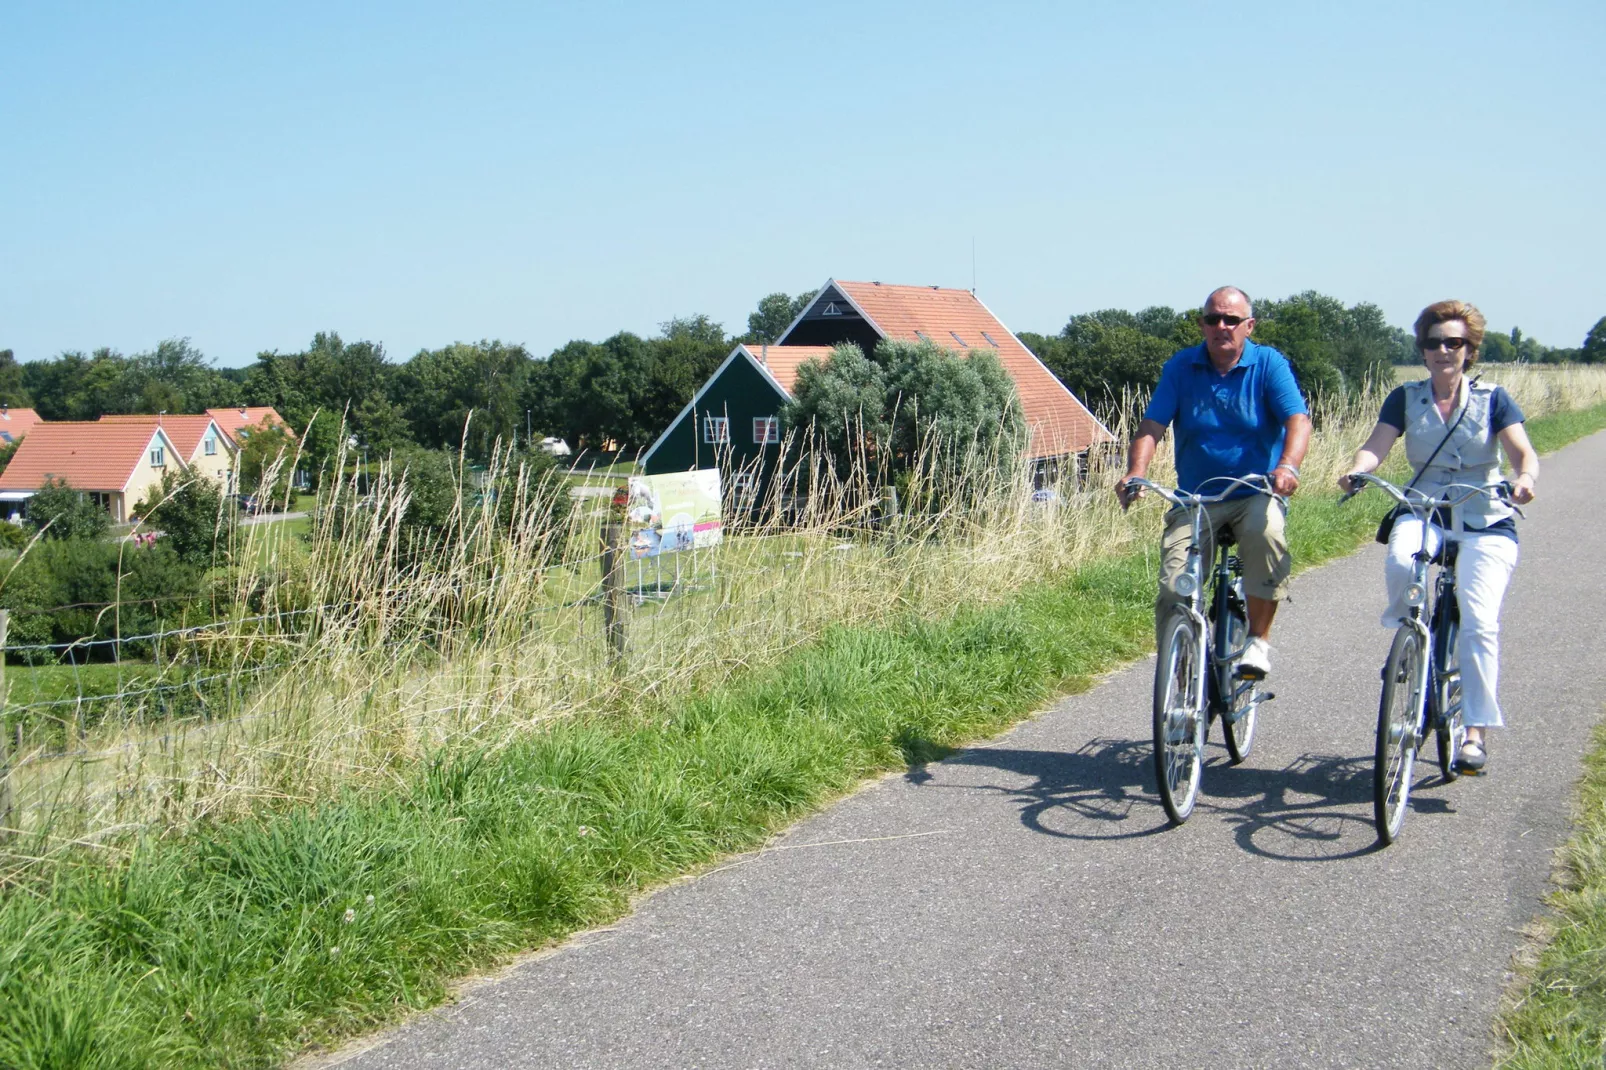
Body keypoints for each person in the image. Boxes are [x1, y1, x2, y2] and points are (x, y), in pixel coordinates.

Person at [1339, 299, 1537, 774]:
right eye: (1434, 343)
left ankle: (1474, 733)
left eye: (1455, 343)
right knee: (1402, 560)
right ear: (1422, 351)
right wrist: (1358, 470)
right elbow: (1377, 446)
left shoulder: (1494, 399)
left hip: (1486, 515)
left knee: (1480, 622)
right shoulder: (1405, 398)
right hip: (1424, 508)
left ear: (1470, 350)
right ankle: (1411, 634)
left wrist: (1525, 480)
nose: (1444, 351)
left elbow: (1523, 455)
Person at [1116, 286, 1312, 679]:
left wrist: (1288, 466)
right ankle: (1180, 678)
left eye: (1231, 320)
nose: (1221, 326)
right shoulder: (1181, 366)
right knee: (1175, 586)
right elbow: (1153, 424)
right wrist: (1136, 471)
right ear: (1203, 324)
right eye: (1212, 319)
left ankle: (1257, 642)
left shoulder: (1268, 364)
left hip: (1255, 490)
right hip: (1196, 497)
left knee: (1266, 535)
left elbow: (1297, 420)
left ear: (1249, 326)